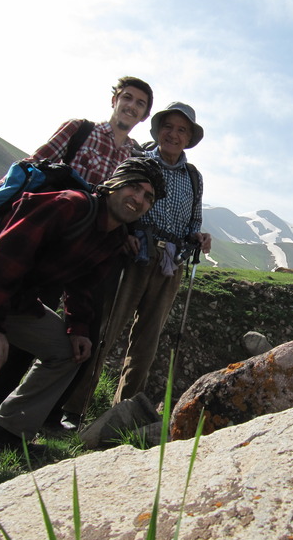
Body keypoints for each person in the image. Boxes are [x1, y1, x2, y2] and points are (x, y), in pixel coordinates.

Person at [0, 158, 165, 501]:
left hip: (11, 299)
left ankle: (5, 431)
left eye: (148, 197)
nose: (139, 199)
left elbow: (83, 288)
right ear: (113, 185)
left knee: (67, 353)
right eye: (135, 187)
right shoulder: (69, 205)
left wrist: (78, 330)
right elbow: (3, 255)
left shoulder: (112, 237)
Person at [0, 77, 154, 432]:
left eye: (140, 103)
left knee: (82, 328)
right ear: (114, 99)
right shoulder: (80, 130)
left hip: (91, 250)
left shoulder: (134, 155)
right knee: (26, 318)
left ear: (144, 115)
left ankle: (46, 413)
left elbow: (126, 201)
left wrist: (127, 232)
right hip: (48, 238)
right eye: (127, 98)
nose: (131, 106)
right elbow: (35, 164)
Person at [66, 102, 211, 410]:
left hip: (170, 264)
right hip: (131, 256)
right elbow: (114, 203)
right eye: (168, 127)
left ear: (189, 138)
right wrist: (125, 235)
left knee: (147, 340)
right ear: (158, 130)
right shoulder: (138, 161)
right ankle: (73, 406)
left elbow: (193, 221)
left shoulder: (194, 177)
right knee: (107, 329)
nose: (173, 134)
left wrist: (197, 237)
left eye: (181, 130)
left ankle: (124, 411)